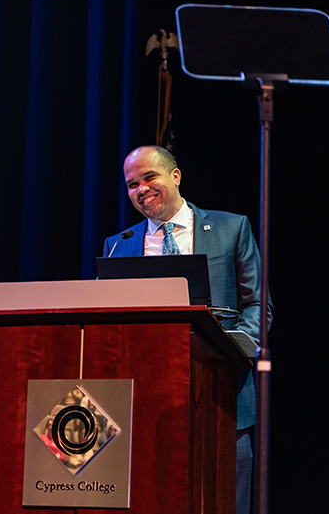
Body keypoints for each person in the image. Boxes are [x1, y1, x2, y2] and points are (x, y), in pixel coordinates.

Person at [103, 145, 273, 514]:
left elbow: (258, 304)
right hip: (145, 400)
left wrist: (230, 350)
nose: (141, 189)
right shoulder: (119, 246)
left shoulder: (231, 228)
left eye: (150, 177)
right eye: (132, 184)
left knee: (225, 501)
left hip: (223, 393)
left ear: (175, 176)